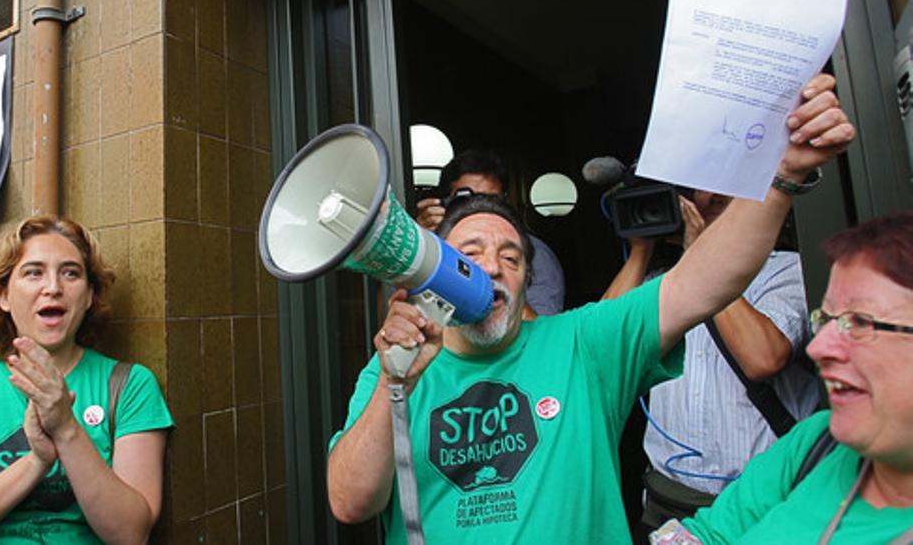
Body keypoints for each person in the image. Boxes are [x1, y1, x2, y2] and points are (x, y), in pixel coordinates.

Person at [326, 74, 854, 543]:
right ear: (438, 273)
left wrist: (784, 174)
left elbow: (707, 278)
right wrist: (395, 387)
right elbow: (351, 503)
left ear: (528, 280)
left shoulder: (583, 344)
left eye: (511, 257)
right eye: (470, 255)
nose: (492, 268)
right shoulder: (397, 367)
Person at [0, 216, 173, 543]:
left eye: (71, 273)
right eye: (33, 272)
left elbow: (131, 533)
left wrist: (66, 428)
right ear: (3, 296)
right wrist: (36, 462)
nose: (54, 288)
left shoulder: (130, 386)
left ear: (88, 296)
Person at [652, 211, 913, 544]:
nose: (818, 347)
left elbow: (762, 357)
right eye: (826, 320)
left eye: (860, 322)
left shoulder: (783, 269)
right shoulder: (818, 442)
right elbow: (707, 534)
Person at [604, 190, 819, 531]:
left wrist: (706, 257)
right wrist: (640, 252)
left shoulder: (786, 269)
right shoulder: (666, 281)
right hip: (668, 500)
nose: (709, 207)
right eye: (701, 199)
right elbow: (602, 348)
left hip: (760, 500)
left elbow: (763, 358)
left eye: (723, 200)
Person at [416, 149, 567, 315]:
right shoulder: (435, 248)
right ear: (446, 203)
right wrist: (422, 246)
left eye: (490, 200)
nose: (479, 208)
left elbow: (542, 330)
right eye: (466, 200)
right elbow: (418, 314)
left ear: (506, 201)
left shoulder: (533, 252)